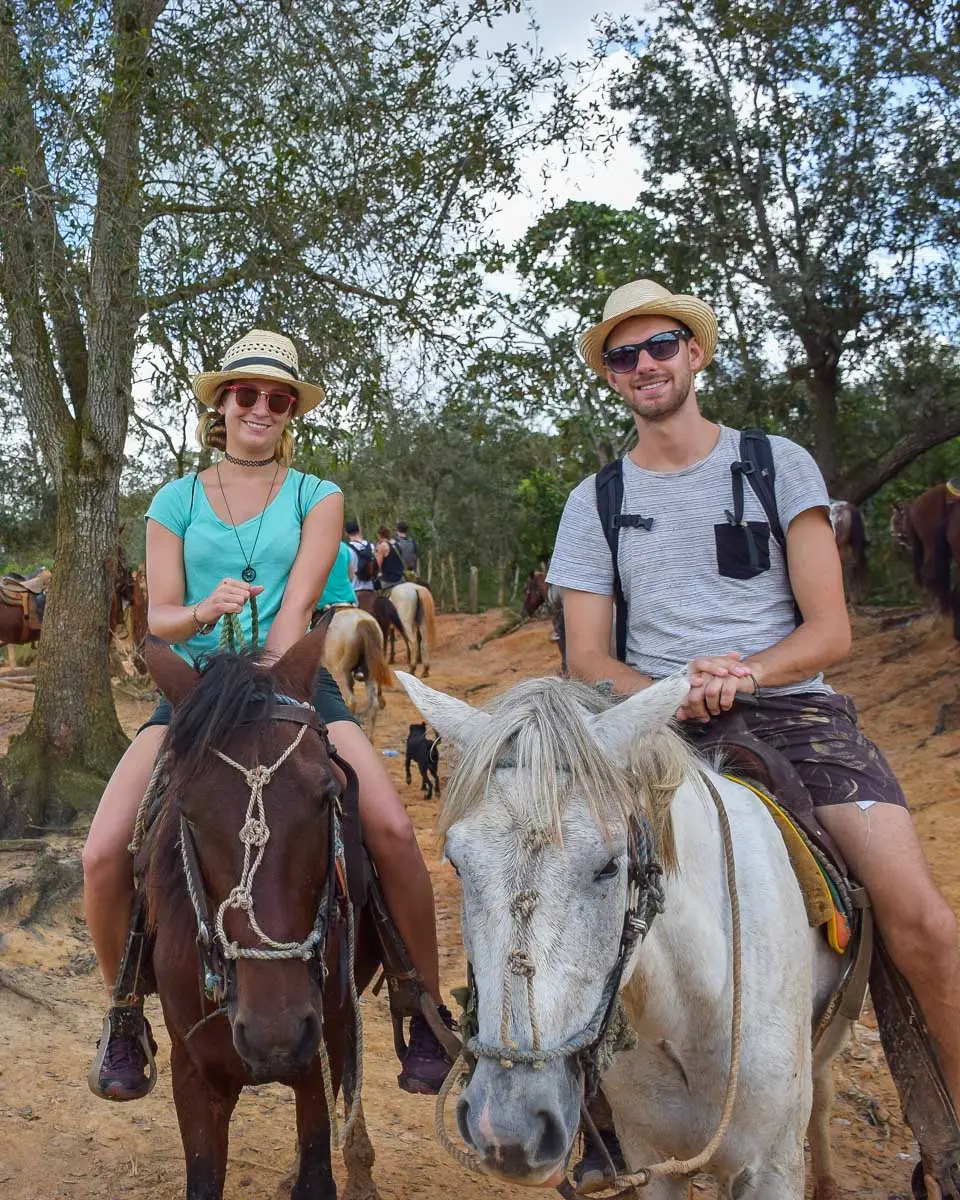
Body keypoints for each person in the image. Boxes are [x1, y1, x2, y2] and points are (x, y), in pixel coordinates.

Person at [547, 279, 960, 1184]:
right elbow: (585, 655)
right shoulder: (597, 499)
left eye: (661, 346)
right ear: (612, 378)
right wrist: (668, 690)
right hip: (657, 723)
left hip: (793, 710)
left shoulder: (777, 465)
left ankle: (956, 1125)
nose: (645, 365)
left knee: (924, 920)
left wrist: (745, 672)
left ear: (696, 354)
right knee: (559, 885)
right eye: (625, 355)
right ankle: (589, 1116)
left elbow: (830, 630)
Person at [82, 329, 452, 1103]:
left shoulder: (318, 495)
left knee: (387, 825)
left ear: (292, 412)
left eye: (277, 397)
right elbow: (161, 617)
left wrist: (272, 682)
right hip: (193, 689)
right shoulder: (174, 499)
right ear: (220, 403)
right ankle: (124, 1013)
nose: (259, 407)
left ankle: (421, 1002)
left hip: (291, 680)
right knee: (102, 852)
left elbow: (294, 611)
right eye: (244, 393)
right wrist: (203, 612)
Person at [315, 534, 357, 614]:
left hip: (324, 601)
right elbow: (351, 577)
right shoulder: (344, 547)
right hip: (349, 598)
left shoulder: (314, 548)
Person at [345, 519, 378, 595]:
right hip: (370, 588)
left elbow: (348, 573)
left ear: (346, 533)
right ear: (359, 530)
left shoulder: (347, 549)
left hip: (355, 589)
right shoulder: (371, 546)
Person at [375, 524, 406, 595]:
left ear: (379, 535)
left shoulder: (383, 546)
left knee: (372, 591)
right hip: (400, 577)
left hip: (388, 579)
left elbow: (377, 565)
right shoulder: (396, 543)